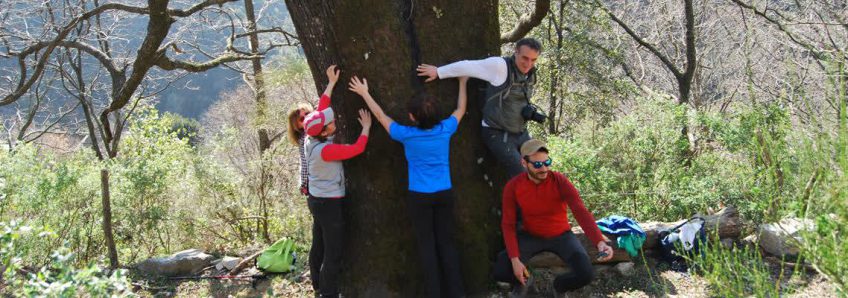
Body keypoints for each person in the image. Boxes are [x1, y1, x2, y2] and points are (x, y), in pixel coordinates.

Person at [348, 75, 468, 298]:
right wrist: (462, 82)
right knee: (446, 243)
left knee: (427, 246)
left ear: (412, 118)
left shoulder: (407, 135)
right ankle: (457, 293)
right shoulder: (445, 129)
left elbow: (380, 116)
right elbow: (461, 109)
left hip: (419, 197)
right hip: (444, 194)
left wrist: (365, 93)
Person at [493, 139, 614, 297]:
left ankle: (558, 287)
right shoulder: (513, 186)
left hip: (561, 235)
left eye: (547, 162)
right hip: (531, 236)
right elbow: (508, 224)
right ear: (524, 163)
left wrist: (599, 241)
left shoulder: (559, 181)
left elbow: (580, 211)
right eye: (537, 165)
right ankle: (526, 282)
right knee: (501, 269)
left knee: (586, 274)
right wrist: (515, 261)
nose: (544, 168)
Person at [417, 37, 543, 178]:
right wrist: (439, 72)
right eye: (525, 58)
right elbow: (467, 66)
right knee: (522, 172)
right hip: (497, 133)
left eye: (533, 60)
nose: (528, 64)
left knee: (541, 168)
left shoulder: (530, 74)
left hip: (521, 133)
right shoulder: (500, 66)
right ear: (516, 52)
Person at [303, 65, 373, 298]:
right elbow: (356, 149)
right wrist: (366, 128)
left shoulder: (310, 138)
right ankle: (328, 293)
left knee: (319, 242)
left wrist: (331, 83)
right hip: (329, 203)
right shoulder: (327, 150)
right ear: (323, 132)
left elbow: (321, 109)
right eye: (330, 124)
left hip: (316, 199)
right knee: (333, 251)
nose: (335, 123)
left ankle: (316, 282)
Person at [287, 103, 313, 196]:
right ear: (297, 126)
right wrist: (304, 185)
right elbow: (305, 165)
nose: (307, 118)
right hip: (312, 184)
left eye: (308, 114)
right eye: (302, 119)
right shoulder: (305, 138)